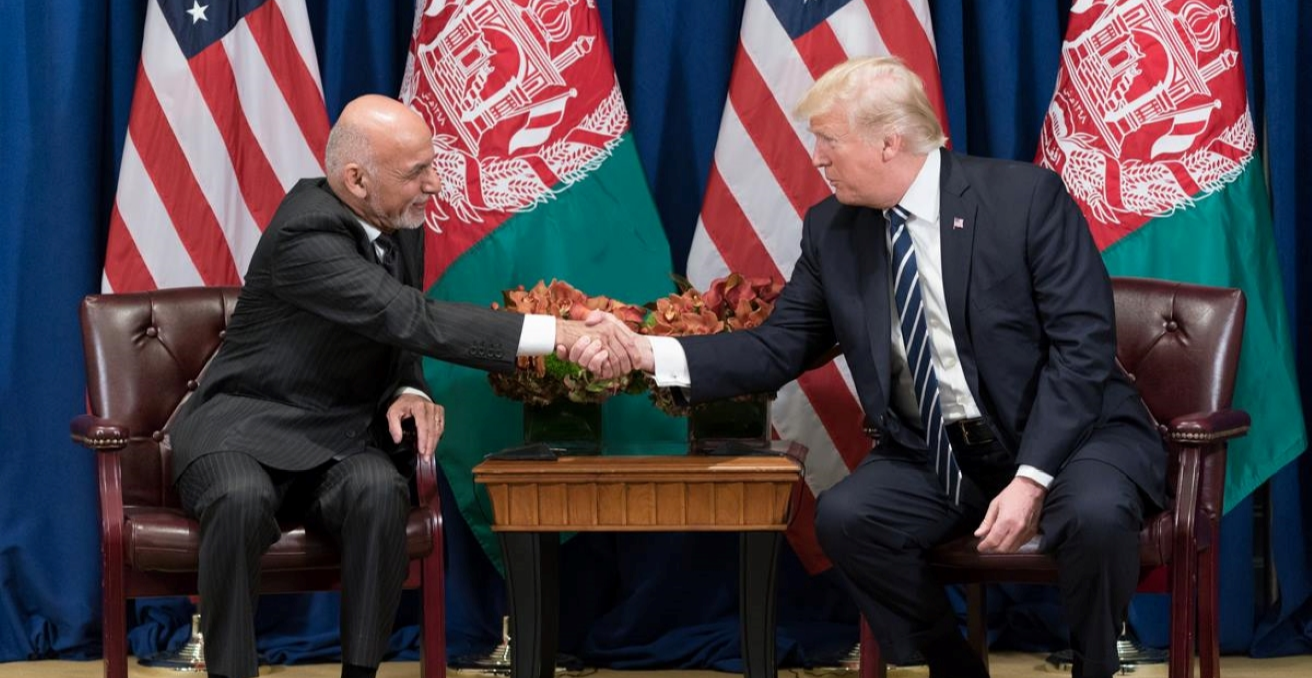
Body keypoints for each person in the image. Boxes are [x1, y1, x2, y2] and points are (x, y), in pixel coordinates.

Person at [579, 57, 1165, 678]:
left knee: (1096, 515)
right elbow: (776, 348)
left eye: (828, 139)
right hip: (938, 453)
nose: (817, 157)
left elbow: (1083, 349)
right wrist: (646, 351)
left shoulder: (1023, 200)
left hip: (1073, 439)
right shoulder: (833, 229)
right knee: (848, 519)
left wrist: (1031, 479)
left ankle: (1094, 665)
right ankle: (952, 666)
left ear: (888, 143)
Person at [167, 94, 636, 678]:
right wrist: (558, 335)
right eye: (417, 172)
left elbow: (393, 334)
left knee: (378, 490)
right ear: (356, 179)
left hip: (336, 436)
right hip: (242, 427)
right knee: (241, 499)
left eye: (432, 164)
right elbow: (413, 316)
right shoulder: (304, 234)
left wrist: (407, 388)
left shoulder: (397, 219)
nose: (435, 184)